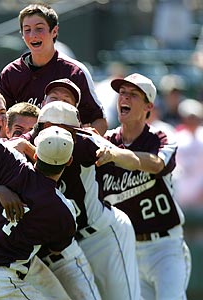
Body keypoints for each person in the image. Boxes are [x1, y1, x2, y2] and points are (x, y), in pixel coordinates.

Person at [0, 119, 77, 300]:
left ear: (35, 155)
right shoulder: (63, 210)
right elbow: (57, 249)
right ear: (69, 161)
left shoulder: (10, 162)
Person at [95, 73, 192, 300]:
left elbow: (156, 164)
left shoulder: (160, 137)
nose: (124, 98)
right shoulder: (105, 142)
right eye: (122, 93)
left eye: (133, 95)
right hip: (129, 250)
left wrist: (118, 155)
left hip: (165, 247)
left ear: (148, 106)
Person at [33, 101, 140, 300]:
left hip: (100, 235)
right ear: (42, 127)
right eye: (53, 128)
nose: (60, 135)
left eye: (67, 130)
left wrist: (112, 153)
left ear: (76, 131)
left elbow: (134, 161)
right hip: (64, 246)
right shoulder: (29, 141)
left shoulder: (85, 142)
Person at [0, 3, 107, 135]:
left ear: (54, 31)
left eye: (39, 29)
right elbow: (2, 123)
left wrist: (81, 147)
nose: (33, 35)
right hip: (21, 149)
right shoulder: (10, 73)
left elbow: (99, 121)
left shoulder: (75, 72)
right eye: (27, 30)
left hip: (62, 150)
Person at [173, 98, 203, 207]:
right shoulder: (177, 137)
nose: (192, 120)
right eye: (189, 117)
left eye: (194, 117)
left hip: (200, 197)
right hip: (181, 197)